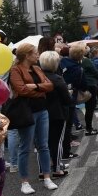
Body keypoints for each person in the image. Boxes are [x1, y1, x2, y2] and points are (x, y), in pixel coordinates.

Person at [8, 43, 57, 194]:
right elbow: (21, 90)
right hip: (27, 112)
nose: (37, 55)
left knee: (43, 145)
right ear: (27, 55)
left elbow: (50, 86)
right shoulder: (15, 70)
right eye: (35, 53)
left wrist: (35, 87)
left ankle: (47, 177)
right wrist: (40, 90)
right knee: (25, 147)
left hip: (42, 110)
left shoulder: (36, 68)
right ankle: (25, 182)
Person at [40, 50, 72, 178]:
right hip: (58, 113)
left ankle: (43, 170)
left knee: (42, 143)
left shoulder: (38, 77)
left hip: (41, 112)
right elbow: (67, 100)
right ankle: (57, 168)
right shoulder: (57, 79)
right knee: (56, 142)